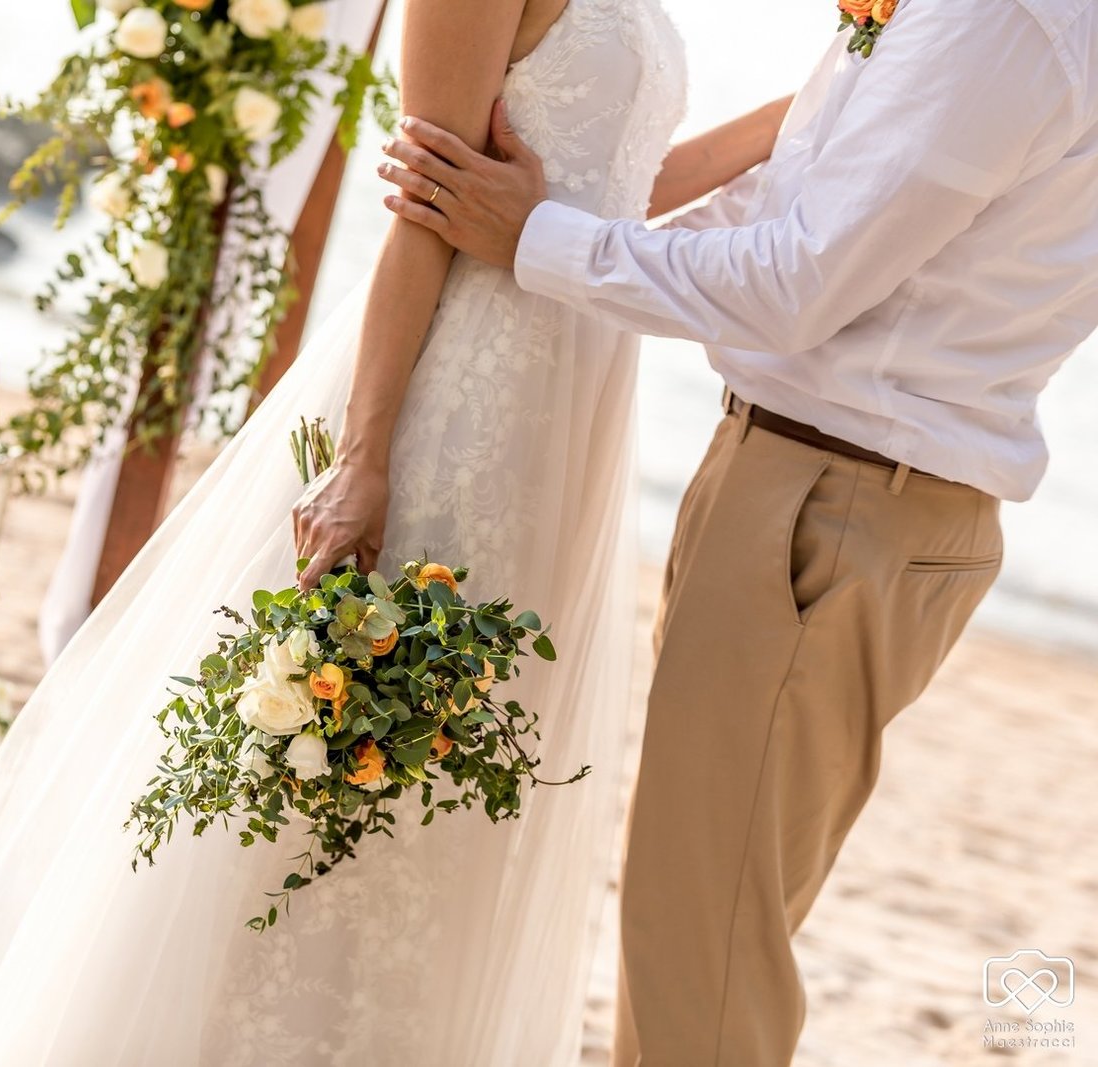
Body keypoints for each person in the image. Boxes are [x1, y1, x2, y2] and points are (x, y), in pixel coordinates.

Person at [0, 0, 789, 1061]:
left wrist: (806, 108)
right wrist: (363, 457)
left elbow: (618, 192)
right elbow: (420, 208)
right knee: (335, 766)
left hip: (565, 420)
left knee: (452, 789)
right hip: (460, 401)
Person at [378, 0, 1098, 1062]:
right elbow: (790, 210)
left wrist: (538, 238)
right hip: (836, 490)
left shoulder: (999, 22)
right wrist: (571, 240)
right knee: (704, 927)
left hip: (831, 500)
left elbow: (794, 286)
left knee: (699, 953)